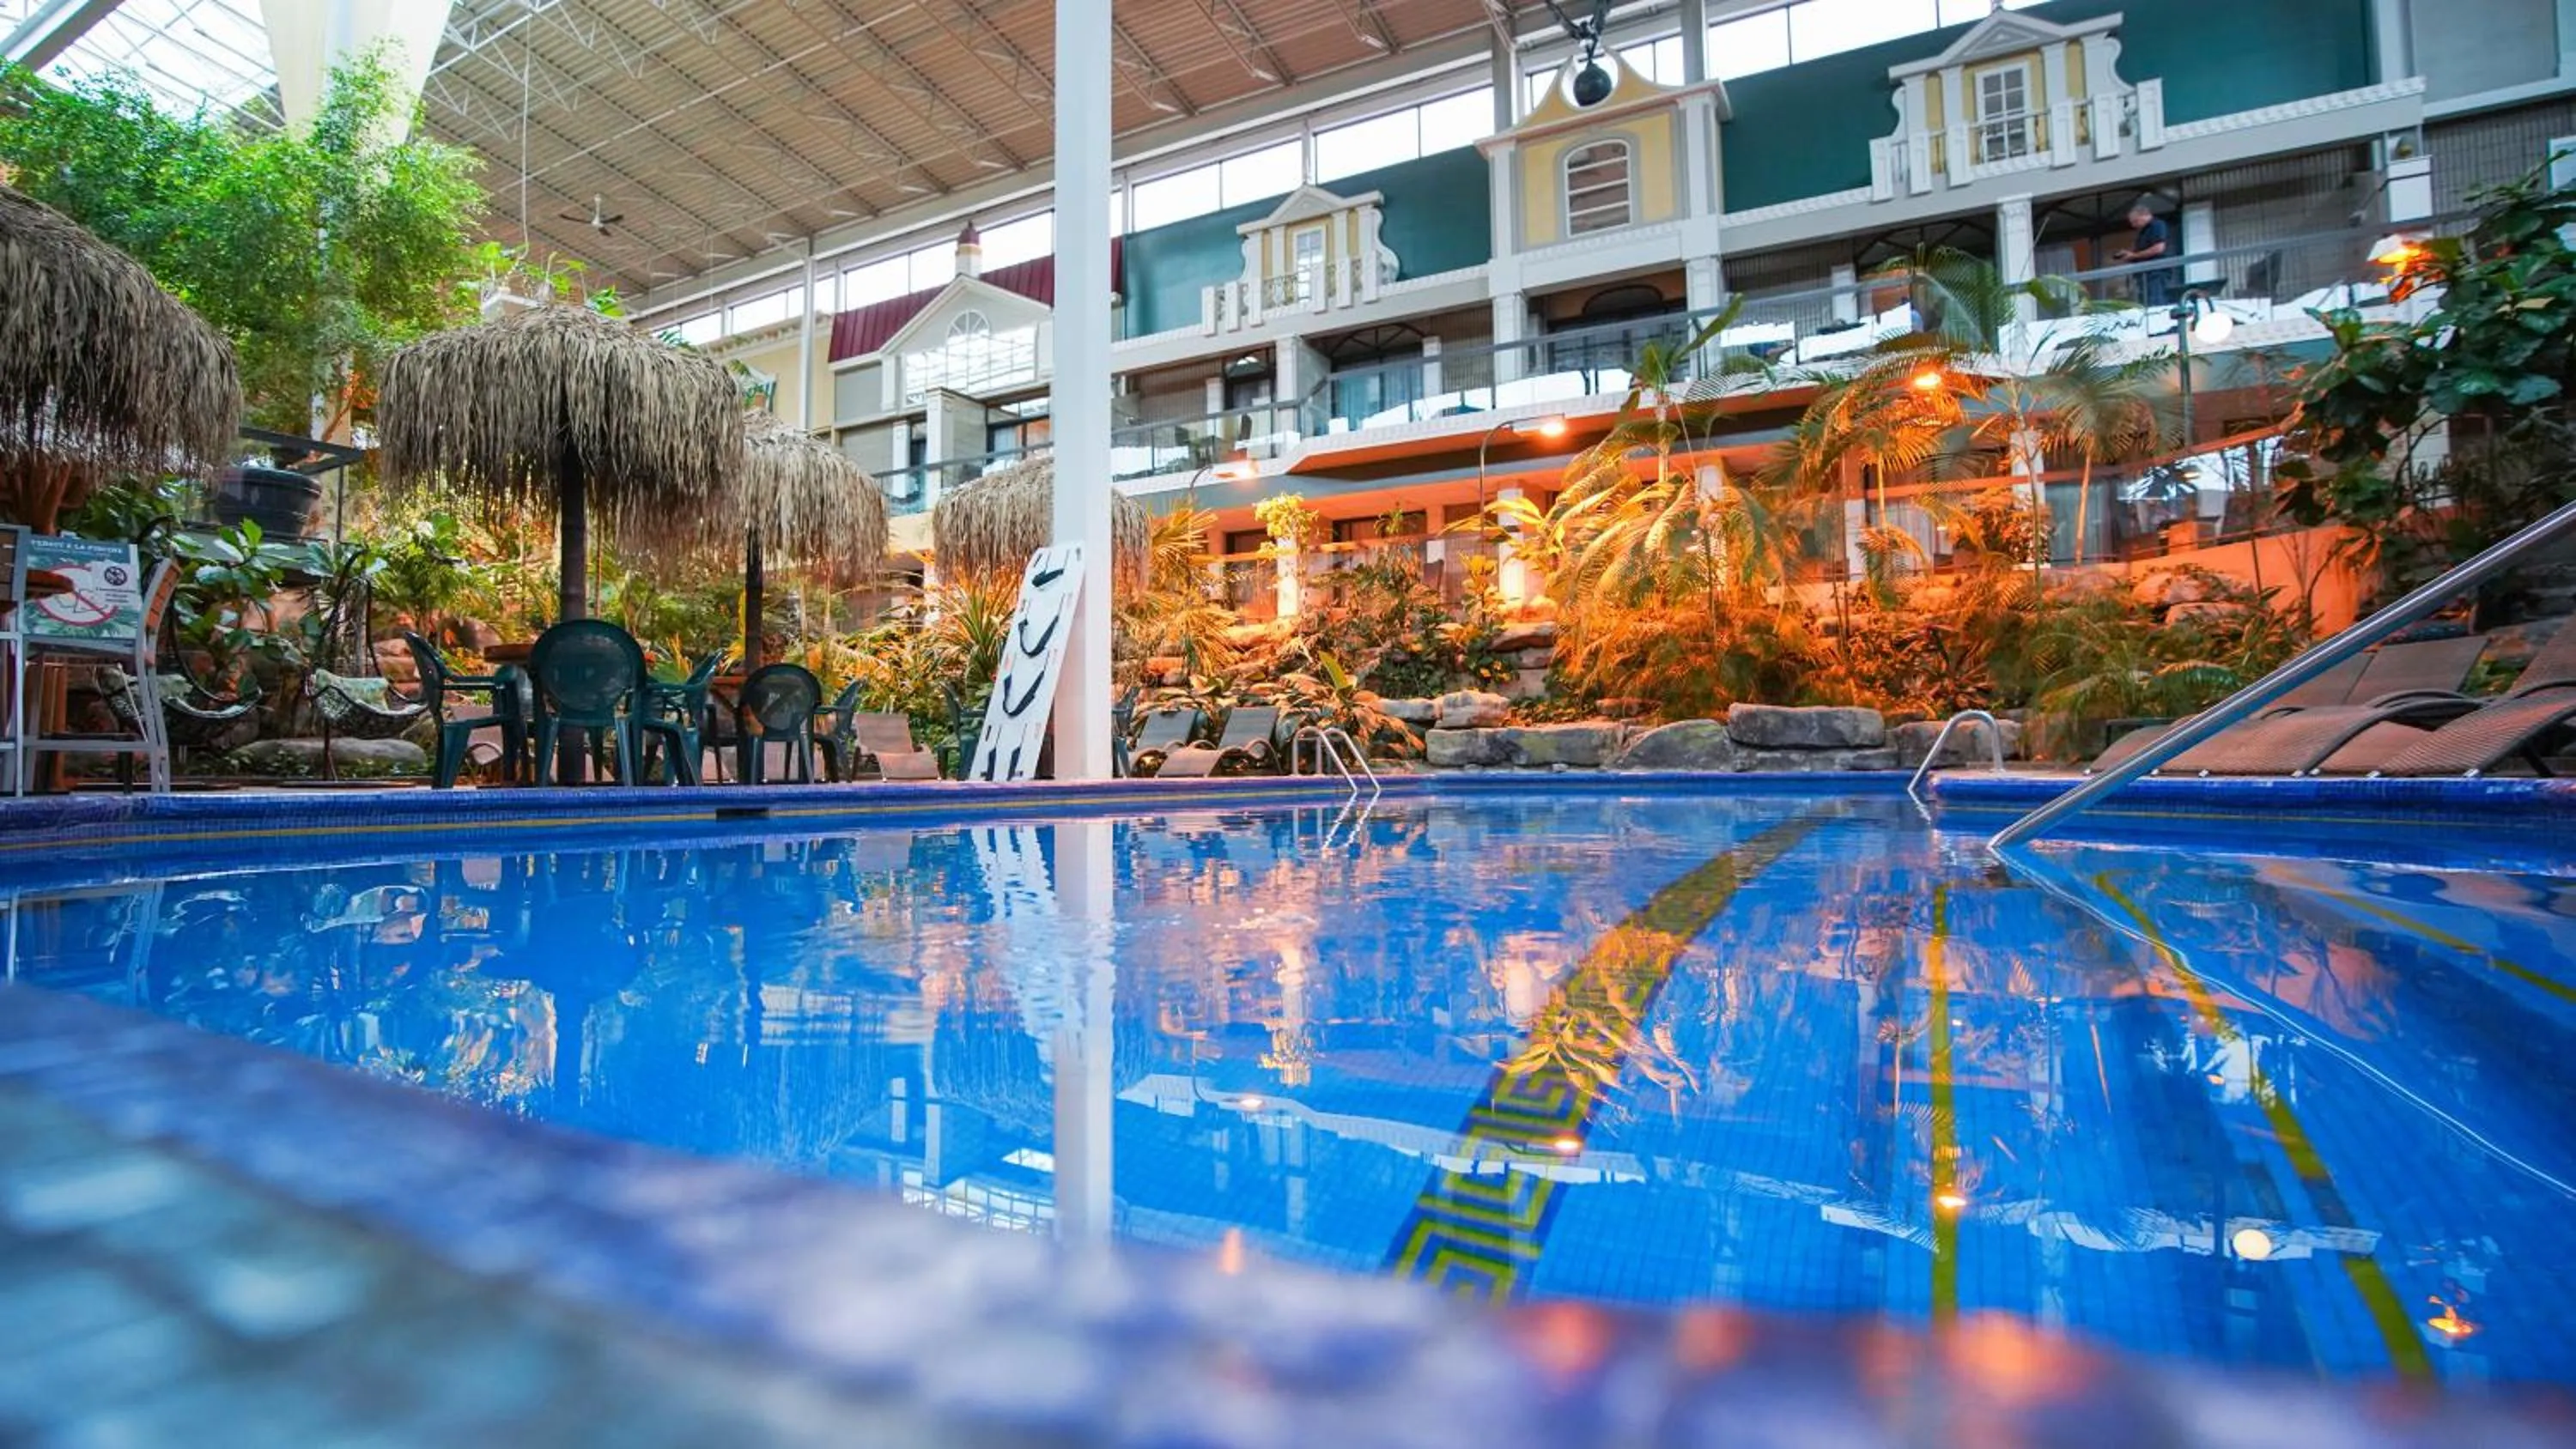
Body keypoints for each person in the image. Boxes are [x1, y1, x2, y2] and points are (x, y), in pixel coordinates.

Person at [2111, 199, 2182, 308]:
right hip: (2146, 274)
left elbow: (2159, 248)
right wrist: (2130, 255)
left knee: (2156, 301)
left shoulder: (2157, 225)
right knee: (2147, 302)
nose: (2134, 225)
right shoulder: (2143, 232)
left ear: (2144, 215)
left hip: (2156, 272)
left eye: (2135, 221)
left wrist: (2134, 256)